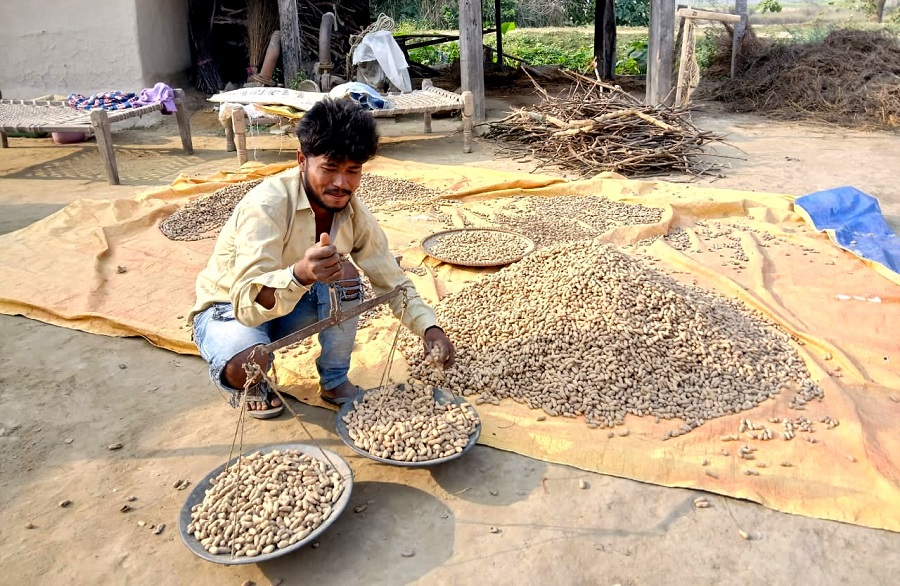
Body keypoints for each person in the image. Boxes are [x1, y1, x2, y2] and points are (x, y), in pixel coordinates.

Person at [188, 98, 455, 419]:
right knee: (249, 363)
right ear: (303, 159)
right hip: (227, 308)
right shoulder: (267, 207)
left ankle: (334, 380)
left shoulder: (354, 213)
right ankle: (254, 384)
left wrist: (430, 329)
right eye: (329, 168)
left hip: (289, 307)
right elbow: (246, 306)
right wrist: (301, 273)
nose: (342, 184)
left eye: (352, 171)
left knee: (345, 275)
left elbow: (392, 281)